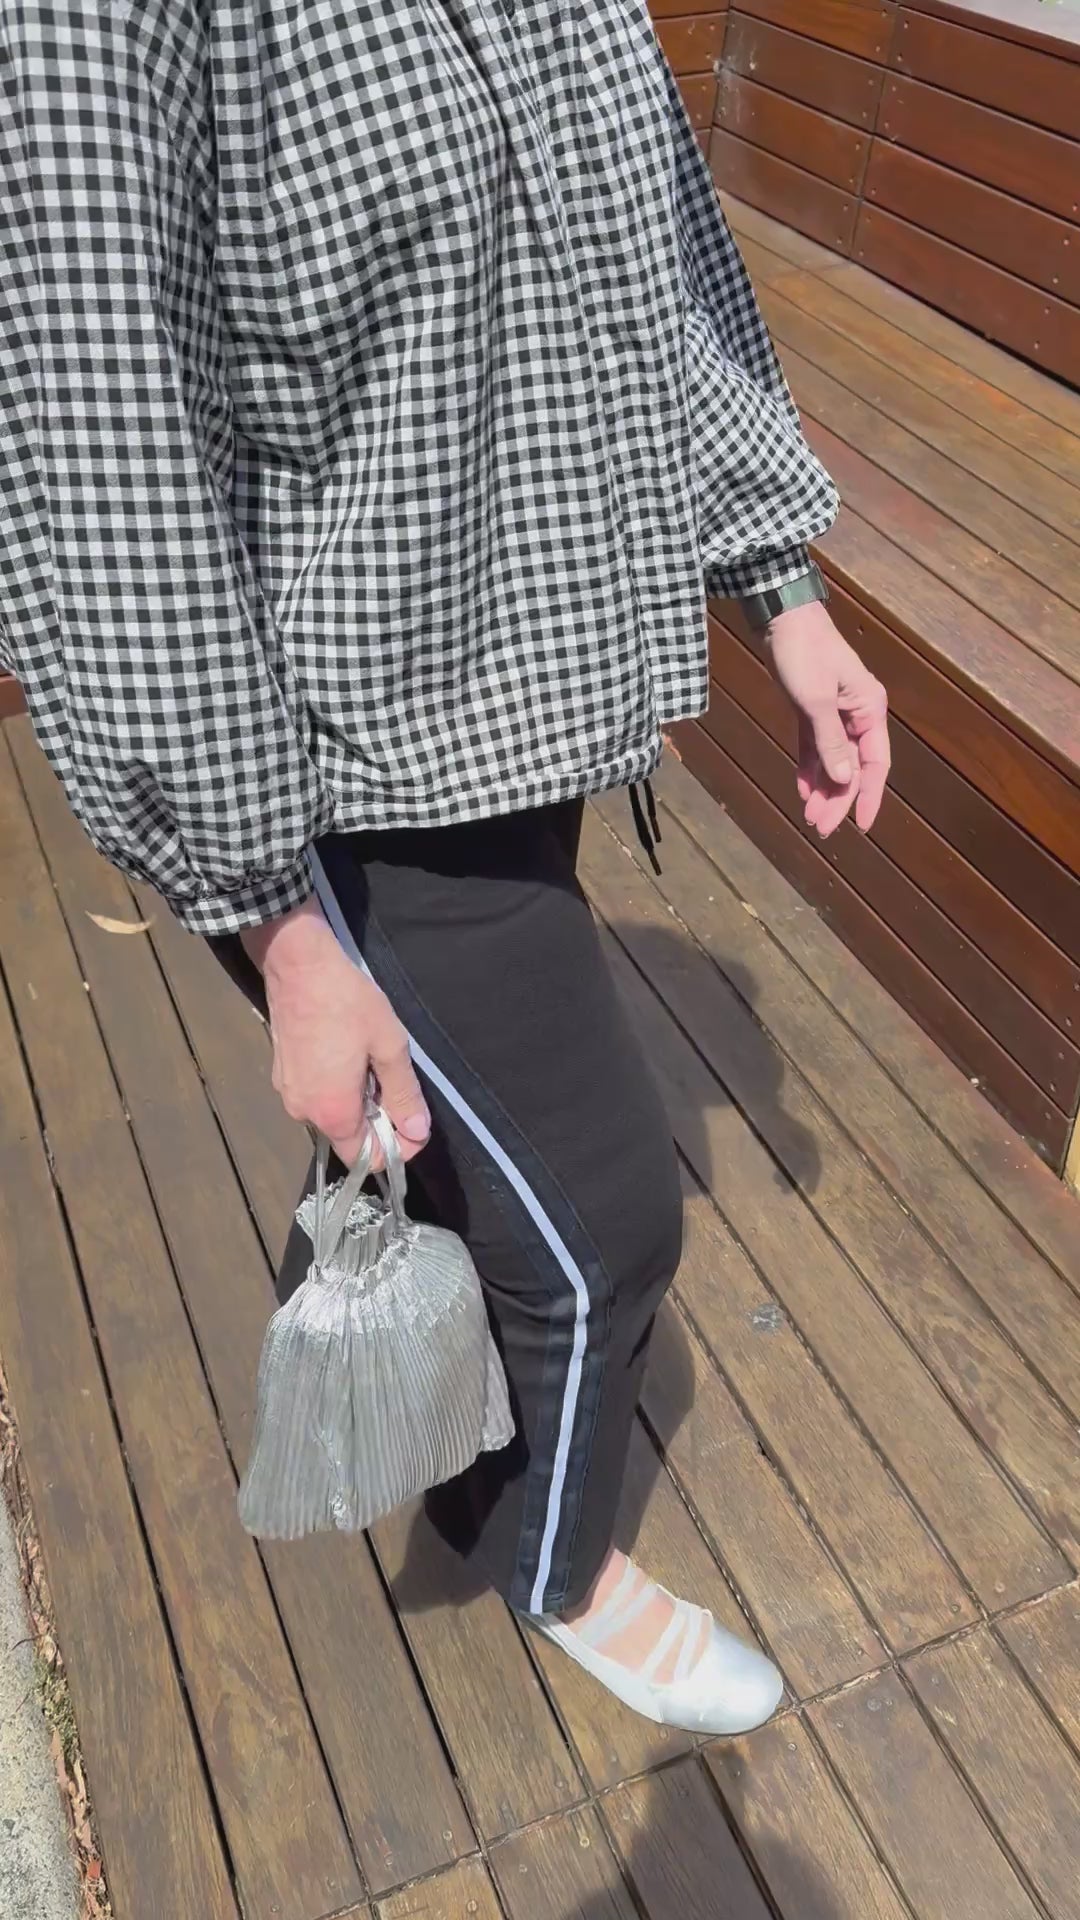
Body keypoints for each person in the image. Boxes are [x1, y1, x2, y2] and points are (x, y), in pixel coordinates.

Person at [1, 1, 889, 1736]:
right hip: (346, 761)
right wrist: (276, 922)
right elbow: (104, 458)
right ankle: (559, 1572)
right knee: (607, 1229)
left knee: (456, 1153)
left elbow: (658, 268)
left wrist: (783, 588)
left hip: (534, 695)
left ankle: (450, 1398)